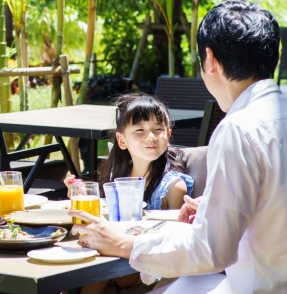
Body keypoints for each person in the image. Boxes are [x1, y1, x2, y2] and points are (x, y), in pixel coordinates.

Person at [70, 0, 287, 293]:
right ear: (275, 56)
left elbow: (213, 251)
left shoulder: (238, 128)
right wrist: (215, 208)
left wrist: (126, 244)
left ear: (210, 60)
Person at [65, 93, 193, 294]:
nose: (151, 136)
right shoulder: (118, 176)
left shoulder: (173, 186)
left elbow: (175, 238)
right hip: (117, 254)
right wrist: (79, 194)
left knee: (97, 254)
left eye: (158, 129)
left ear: (168, 136)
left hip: (145, 264)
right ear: (121, 140)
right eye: (140, 130)